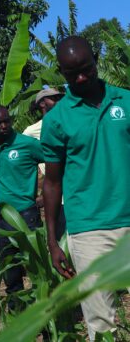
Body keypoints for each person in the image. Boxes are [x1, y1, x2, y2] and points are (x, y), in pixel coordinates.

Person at [41, 36, 130, 340]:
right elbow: (51, 183)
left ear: (95, 59)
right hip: (89, 230)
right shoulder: (56, 119)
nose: (80, 78)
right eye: (71, 74)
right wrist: (53, 240)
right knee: (102, 322)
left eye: (86, 69)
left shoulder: (126, 101)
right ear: (61, 73)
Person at [0, 105, 44, 311]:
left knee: (37, 266)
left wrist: (45, 195)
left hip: (28, 214)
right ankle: (16, 310)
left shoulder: (27, 144)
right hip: (3, 217)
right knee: (10, 266)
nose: (4, 126)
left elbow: (56, 162)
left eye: (6, 120)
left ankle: (44, 310)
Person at [23, 87, 67, 240]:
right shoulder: (31, 131)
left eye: (59, 98)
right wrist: (37, 190)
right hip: (55, 194)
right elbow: (26, 160)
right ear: (42, 103)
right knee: (59, 237)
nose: (58, 101)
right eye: (53, 98)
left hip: (73, 191)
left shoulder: (67, 123)